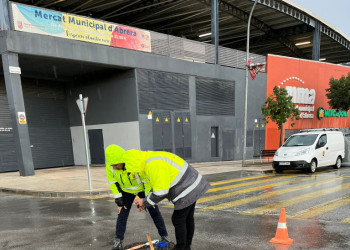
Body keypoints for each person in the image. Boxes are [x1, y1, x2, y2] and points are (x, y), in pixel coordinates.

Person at [122, 149, 211, 250]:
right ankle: (186, 246)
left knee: (178, 219)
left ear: (133, 162)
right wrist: (146, 202)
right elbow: (156, 186)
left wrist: (144, 201)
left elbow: (161, 192)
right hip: (194, 183)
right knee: (187, 218)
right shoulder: (150, 159)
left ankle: (181, 247)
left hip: (187, 188)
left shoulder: (152, 164)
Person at [105, 145, 170, 250]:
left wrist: (148, 199)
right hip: (126, 191)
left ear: (122, 160)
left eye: (116, 165)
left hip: (142, 188)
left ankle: (165, 236)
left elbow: (146, 181)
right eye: (112, 165)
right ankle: (118, 241)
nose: (114, 167)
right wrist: (119, 201)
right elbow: (112, 183)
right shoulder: (110, 167)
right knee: (122, 213)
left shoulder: (132, 163)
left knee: (154, 210)